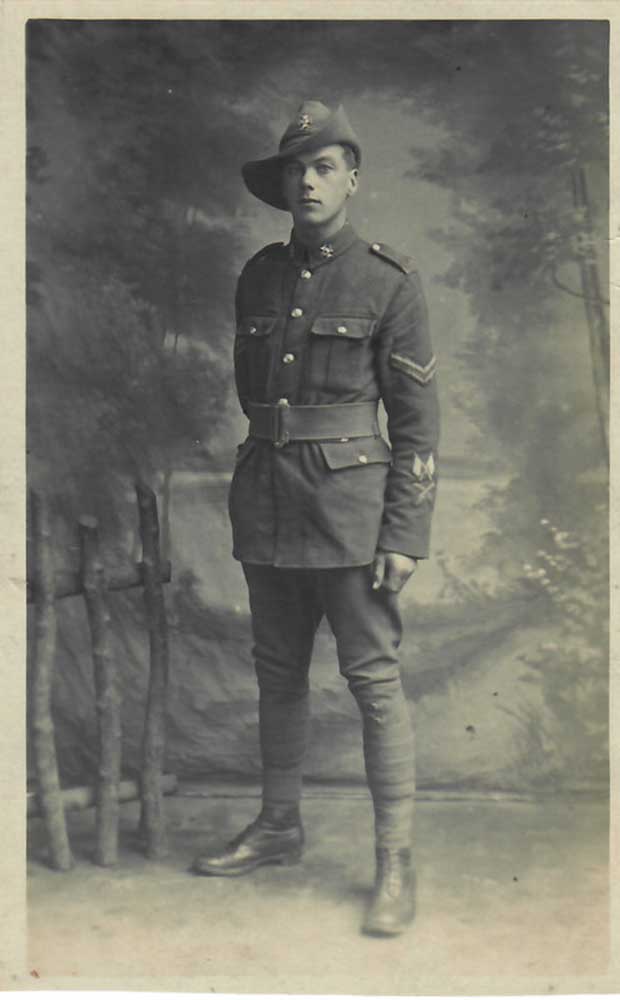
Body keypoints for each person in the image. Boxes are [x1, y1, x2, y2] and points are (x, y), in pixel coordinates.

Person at [191, 100, 440, 937]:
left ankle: (394, 863)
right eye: (297, 168)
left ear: (352, 178)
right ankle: (278, 824)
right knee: (277, 673)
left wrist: (403, 533)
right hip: (266, 496)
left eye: (325, 166)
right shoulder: (257, 275)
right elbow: (254, 395)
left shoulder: (387, 281)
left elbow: (416, 425)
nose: (308, 180)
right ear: (283, 183)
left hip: (350, 509)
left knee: (372, 681)